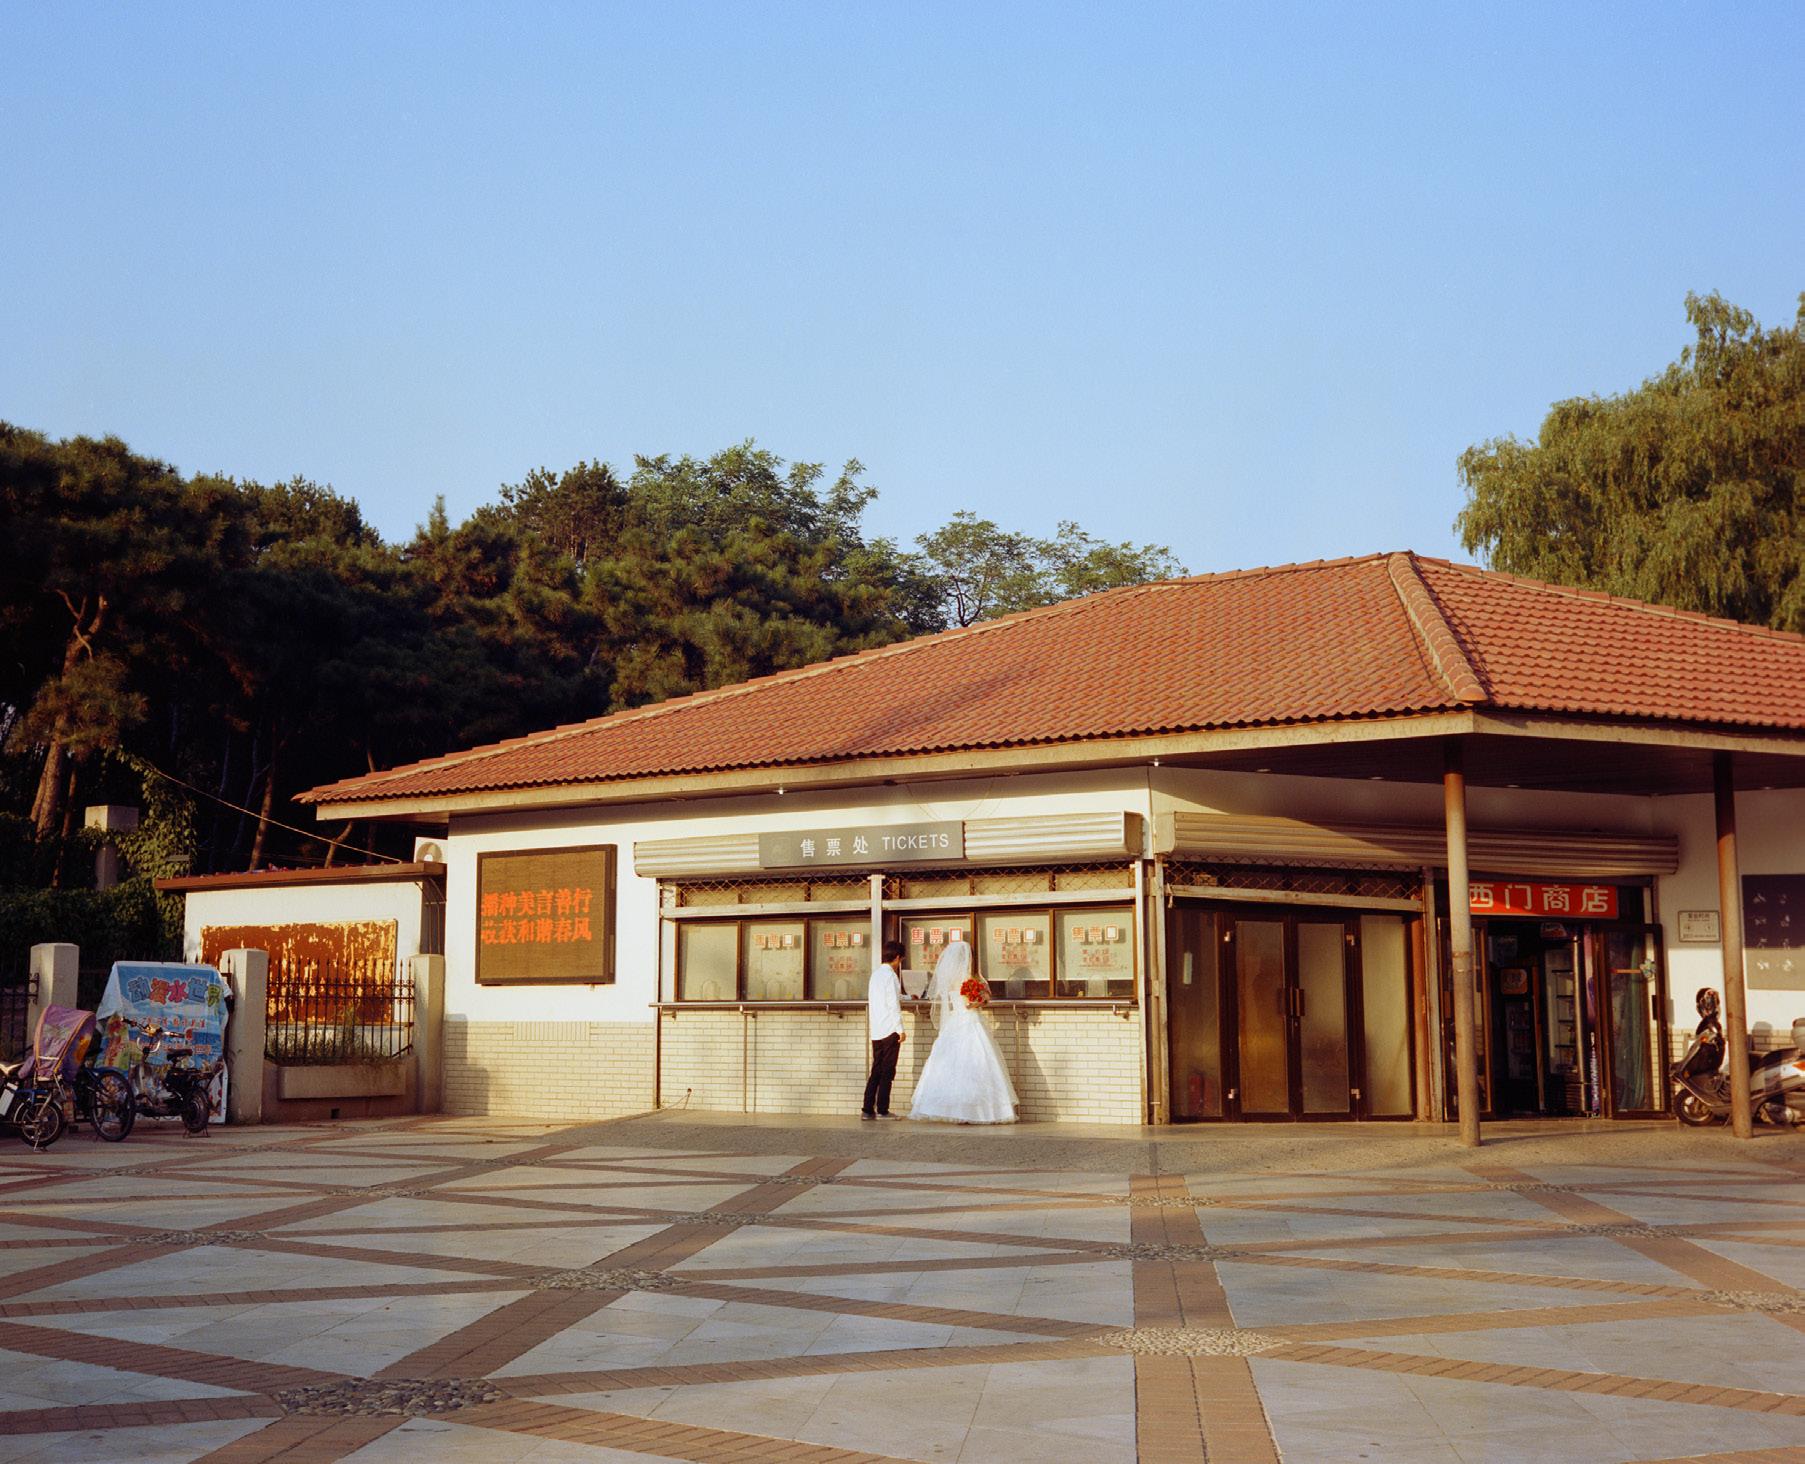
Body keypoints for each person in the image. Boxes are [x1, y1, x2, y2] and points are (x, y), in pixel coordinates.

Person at [909, 940, 1018, 1124]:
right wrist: (979, 1001)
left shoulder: (950, 979)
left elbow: (974, 999)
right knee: (979, 1062)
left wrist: (978, 1000)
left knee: (954, 1065)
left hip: (956, 1021)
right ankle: (977, 1111)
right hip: (971, 1020)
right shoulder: (973, 979)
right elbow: (980, 1000)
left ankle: (954, 1109)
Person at [862, 939, 907, 1120]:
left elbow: (888, 998)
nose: (900, 963)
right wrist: (900, 1029)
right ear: (897, 958)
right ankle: (882, 1110)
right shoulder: (891, 976)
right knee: (888, 1071)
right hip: (890, 1029)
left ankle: (867, 1109)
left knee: (876, 1070)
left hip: (877, 1029)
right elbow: (893, 1004)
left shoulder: (876, 975)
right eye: (901, 960)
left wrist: (907, 997)